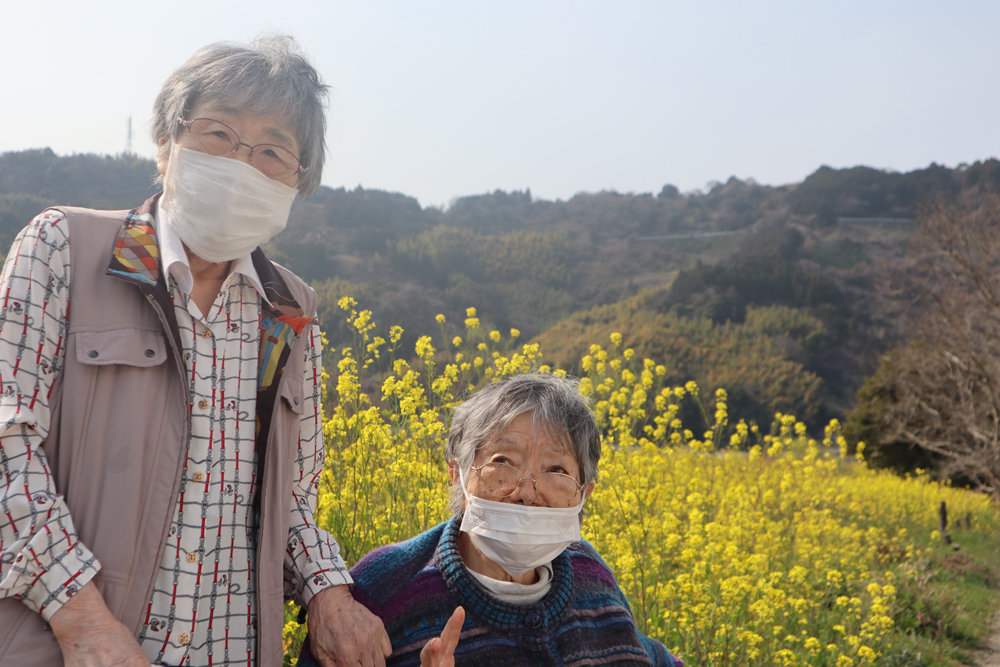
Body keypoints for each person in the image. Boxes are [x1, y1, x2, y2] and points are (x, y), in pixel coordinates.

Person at [0, 36, 390, 667]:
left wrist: (329, 595)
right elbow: (5, 444)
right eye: (218, 133)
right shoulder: (64, 248)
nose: (241, 164)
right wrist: (81, 620)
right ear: (166, 143)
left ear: (299, 181)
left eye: (271, 150)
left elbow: (295, 501)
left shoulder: (290, 311)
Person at [296, 373, 683, 667]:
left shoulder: (590, 575)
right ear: (457, 474)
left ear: (584, 494)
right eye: (503, 462)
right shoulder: (385, 589)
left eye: (556, 469)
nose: (526, 491)